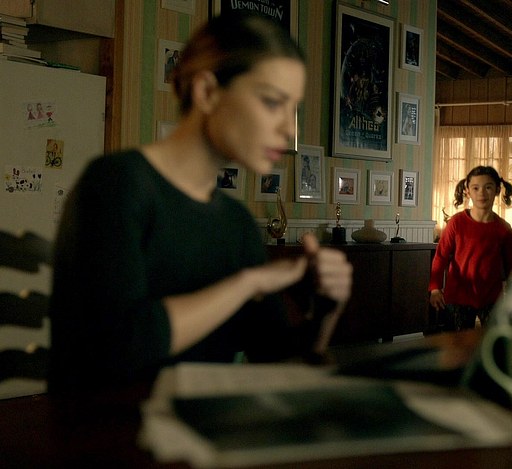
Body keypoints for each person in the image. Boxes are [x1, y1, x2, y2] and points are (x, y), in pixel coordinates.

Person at [48, 13, 352, 395]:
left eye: (294, 109)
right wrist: (248, 283)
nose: (290, 129)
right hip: (103, 428)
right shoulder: (115, 183)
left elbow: (277, 362)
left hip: (196, 426)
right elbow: (118, 348)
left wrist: (326, 308)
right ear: (207, 92)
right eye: (273, 102)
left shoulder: (236, 223)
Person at [428, 166, 512, 331]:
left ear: (497, 190)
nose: (481, 193)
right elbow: (440, 257)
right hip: (458, 297)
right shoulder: (456, 223)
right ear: (467, 191)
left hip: (492, 298)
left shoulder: (504, 228)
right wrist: (435, 288)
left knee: (495, 342)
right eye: (476, 188)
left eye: (488, 187)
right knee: (457, 344)